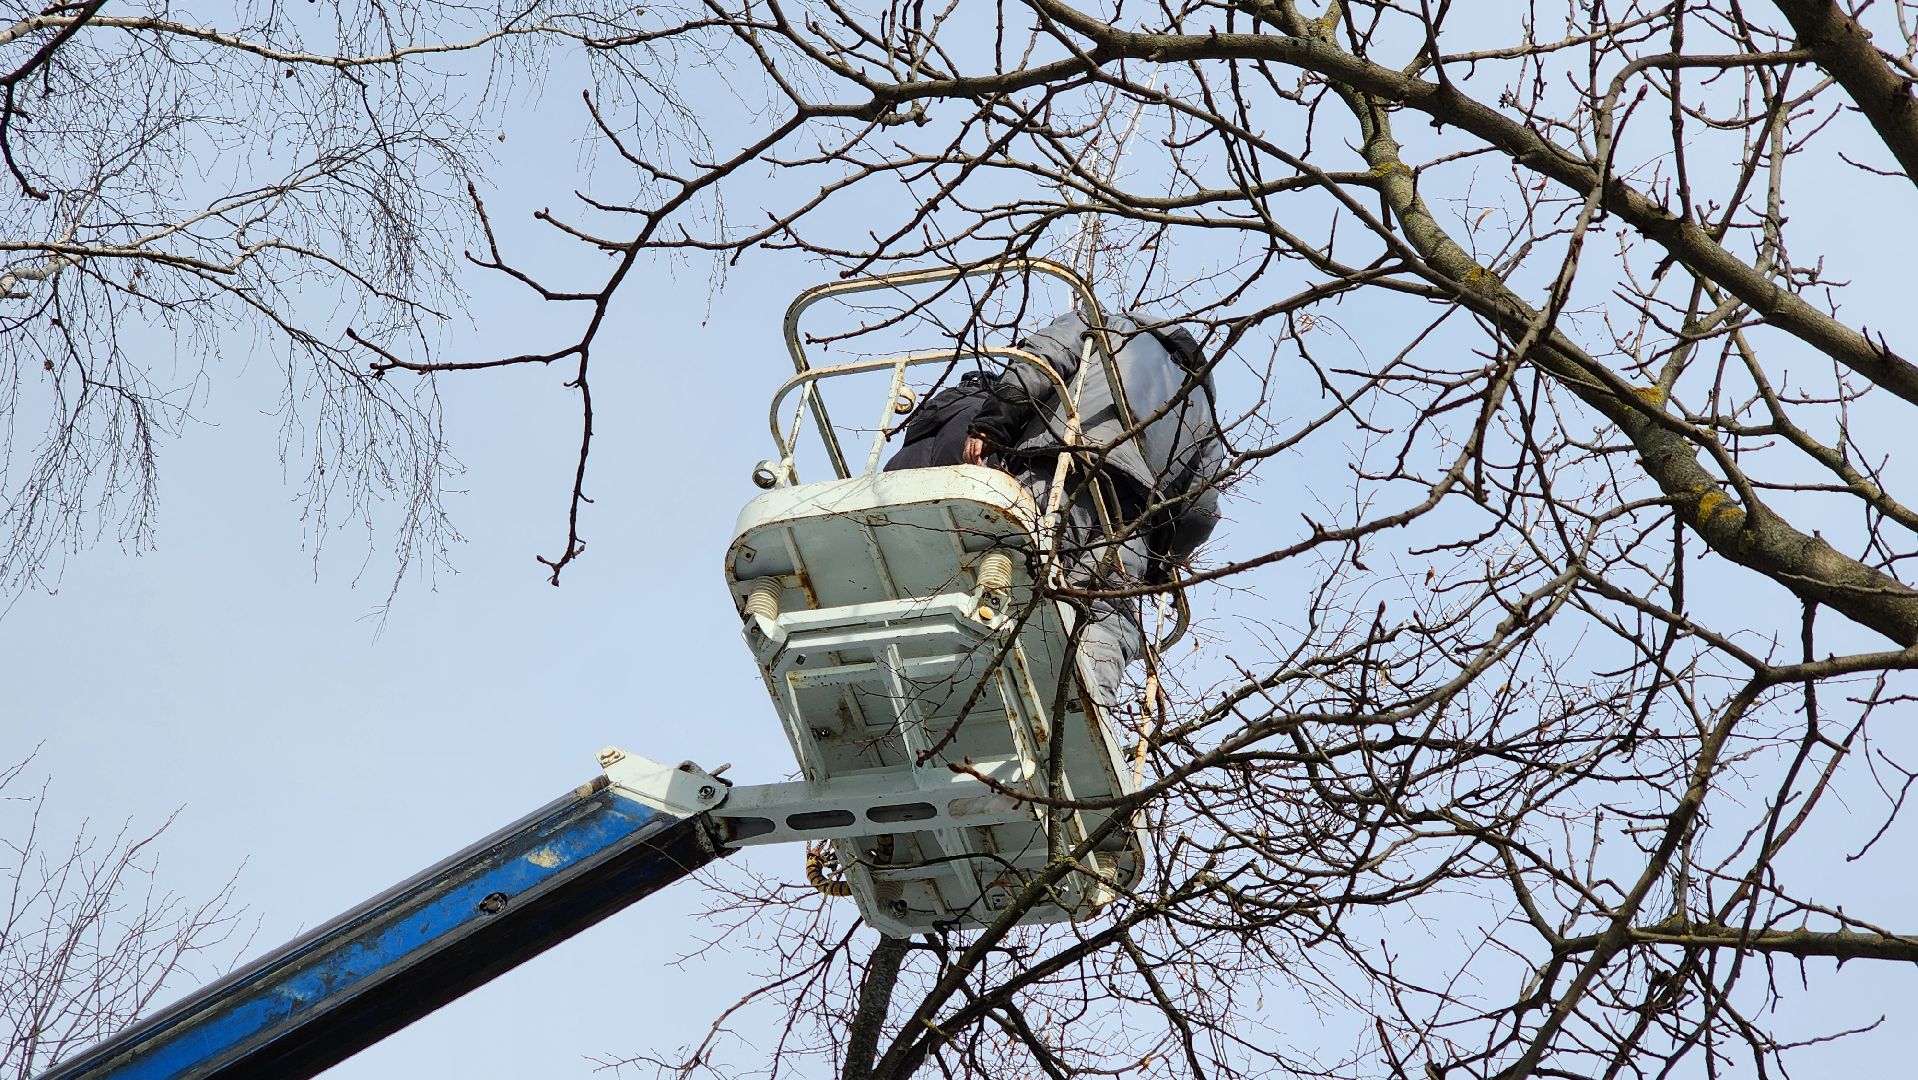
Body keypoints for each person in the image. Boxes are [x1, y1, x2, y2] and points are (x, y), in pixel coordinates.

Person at [962, 312, 1226, 717]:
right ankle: (1090, 708)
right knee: (1106, 613)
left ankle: (967, 672)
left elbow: (1041, 362)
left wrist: (994, 423)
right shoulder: (1201, 404)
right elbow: (1200, 511)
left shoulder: (1106, 325)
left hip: (1063, 467)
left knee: (1017, 556)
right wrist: (1159, 566)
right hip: (1133, 523)